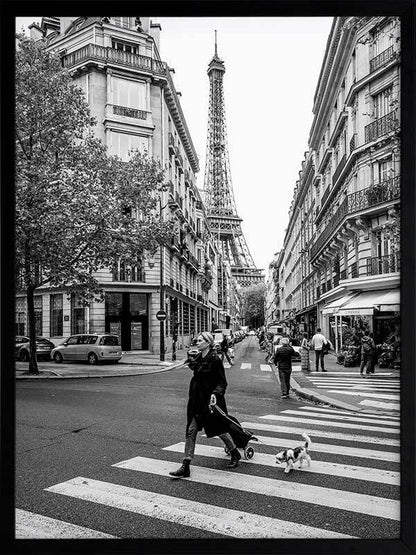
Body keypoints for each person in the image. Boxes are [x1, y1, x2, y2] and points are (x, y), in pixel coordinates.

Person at [169, 331, 241, 479]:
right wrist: (185, 361)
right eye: (197, 340)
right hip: (196, 401)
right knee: (191, 430)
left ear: (208, 343)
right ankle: (186, 465)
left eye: (201, 340)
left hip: (210, 402)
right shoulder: (198, 357)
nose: (197, 341)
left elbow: (222, 382)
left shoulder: (214, 359)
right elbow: (194, 366)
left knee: (219, 430)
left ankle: (235, 452)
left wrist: (215, 394)